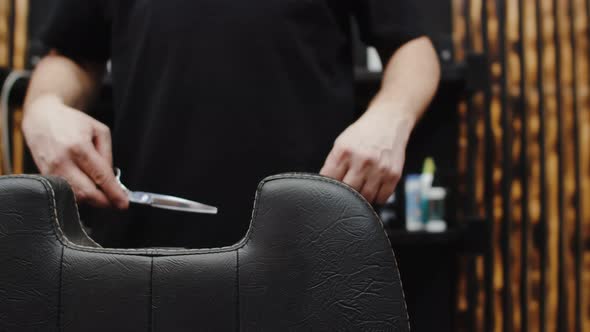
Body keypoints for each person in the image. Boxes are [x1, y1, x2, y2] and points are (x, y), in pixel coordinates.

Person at [22, 0, 440, 248]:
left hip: (306, 238)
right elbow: (71, 54)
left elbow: (413, 47)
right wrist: (43, 106)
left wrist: (390, 117)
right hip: (148, 248)